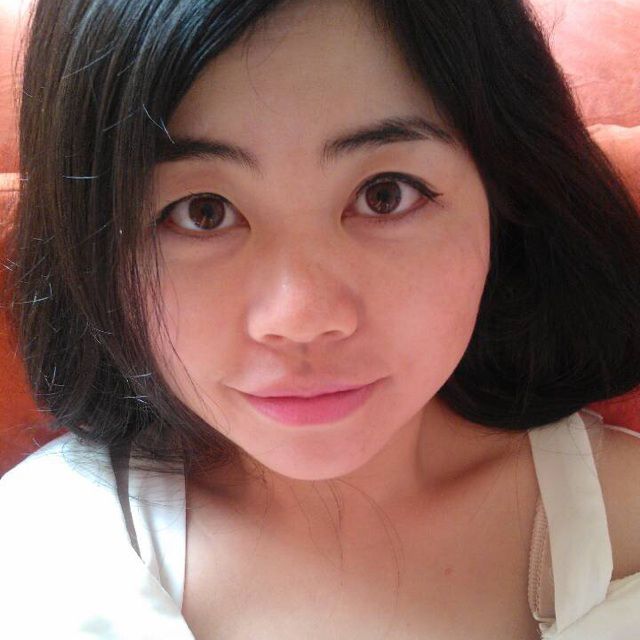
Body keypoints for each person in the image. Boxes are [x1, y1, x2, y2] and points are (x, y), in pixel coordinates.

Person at [1, 0, 639, 638]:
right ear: (91, 246)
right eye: (202, 211)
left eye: (384, 195)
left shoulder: (627, 530)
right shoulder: (37, 559)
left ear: (504, 198)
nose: (302, 318)